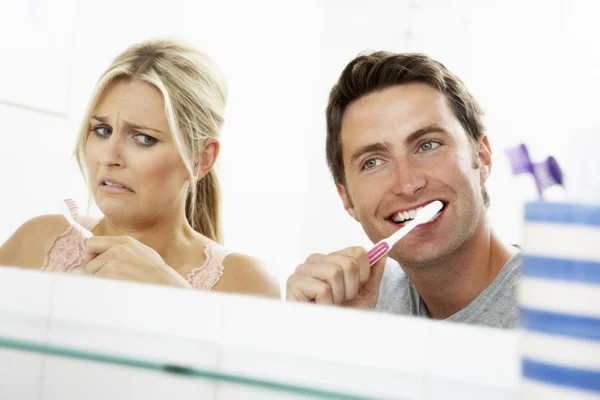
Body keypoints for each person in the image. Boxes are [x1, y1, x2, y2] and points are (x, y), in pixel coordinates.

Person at [0, 38, 280, 299]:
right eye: (102, 130)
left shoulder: (246, 282)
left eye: (144, 138)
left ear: (201, 159)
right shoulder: (38, 241)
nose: (109, 157)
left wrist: (173, 295)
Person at [286, 51, 520, 328]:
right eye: (373, 162)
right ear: (346, 199)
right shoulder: (353, 307)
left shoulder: (565, 308)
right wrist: (309, 333)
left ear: (481, 157)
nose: (407, 184)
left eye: (428, 145)